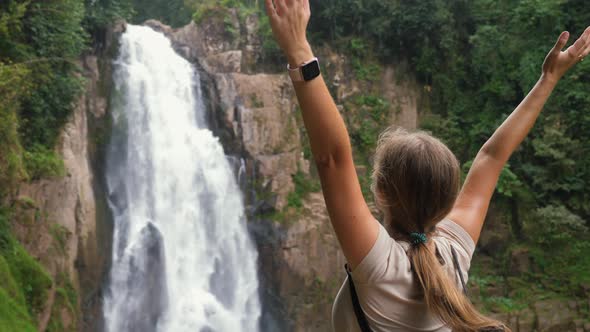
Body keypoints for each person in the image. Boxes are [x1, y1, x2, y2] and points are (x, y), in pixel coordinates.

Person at [264, 0, 590, 331]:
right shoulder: (454, 255)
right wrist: (549, 78)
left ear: (380, 191)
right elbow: (492, 158)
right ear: (449, 203)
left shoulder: (380, 266)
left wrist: (298, 47)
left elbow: (332, 159)